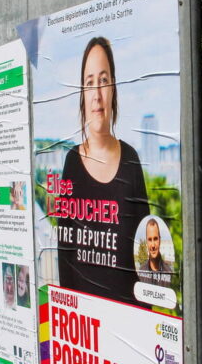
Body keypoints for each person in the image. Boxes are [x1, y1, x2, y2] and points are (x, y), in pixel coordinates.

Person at [57, 37, 150, 305]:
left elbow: (144, 255)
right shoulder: (71, 162)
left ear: (114, 90)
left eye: (103, 80)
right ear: (82, 95)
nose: (96, 94)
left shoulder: (130, 158)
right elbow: (65, 254)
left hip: (129, 319)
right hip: (86, 327)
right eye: (89, 83)